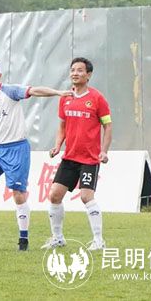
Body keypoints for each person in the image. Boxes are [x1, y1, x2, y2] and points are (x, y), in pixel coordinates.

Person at [0, 61, 72, 251]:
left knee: (18, 195)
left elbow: (34, 90)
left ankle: (23, 239)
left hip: (18, 148)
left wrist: (58, 93)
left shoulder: (10, 91)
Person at [41, 57, 112, 251]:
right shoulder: (65, 98)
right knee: (54, 195)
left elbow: (108, 126)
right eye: (73, 70)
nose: (75, 73)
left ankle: (99, 240)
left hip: (89, 158)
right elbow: (62, 126)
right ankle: (58, 238)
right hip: (69, 158)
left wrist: (104, 151)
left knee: (86, 197)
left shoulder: (97, 98)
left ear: (88, 75)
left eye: (80, 70)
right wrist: (57, 146)